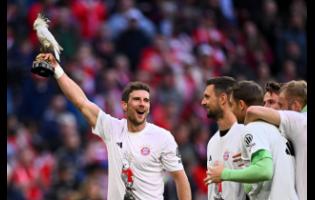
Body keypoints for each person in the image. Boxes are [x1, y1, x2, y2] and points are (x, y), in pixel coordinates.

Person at [36, 53, 192, 200]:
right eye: (137, 99)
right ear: (124, 105)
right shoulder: (113, 128)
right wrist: (57, 70)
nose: (142, 104)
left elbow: (180, 178)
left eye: (146, 100)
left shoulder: (163, 137)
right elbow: (81, 102)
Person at [204, 80, 298, 200]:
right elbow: (251, 188)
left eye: (232, 105)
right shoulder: (277, 131)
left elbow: (265, 171)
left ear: (241, 105)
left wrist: (224, 174)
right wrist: (246, 165)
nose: (230, 111)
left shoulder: (253, 128)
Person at [245, 80, 307, 200]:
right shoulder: (288, 136)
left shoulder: (299, 122)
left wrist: (249, 130)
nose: (266, 108)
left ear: (296, 106)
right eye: (264, 103)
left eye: (279, 104)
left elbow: (252, 111)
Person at [200, 76, 246, 200]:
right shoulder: (212, 142)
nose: (203, 102)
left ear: (223, 99)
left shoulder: (245, 135)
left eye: (207, 97)